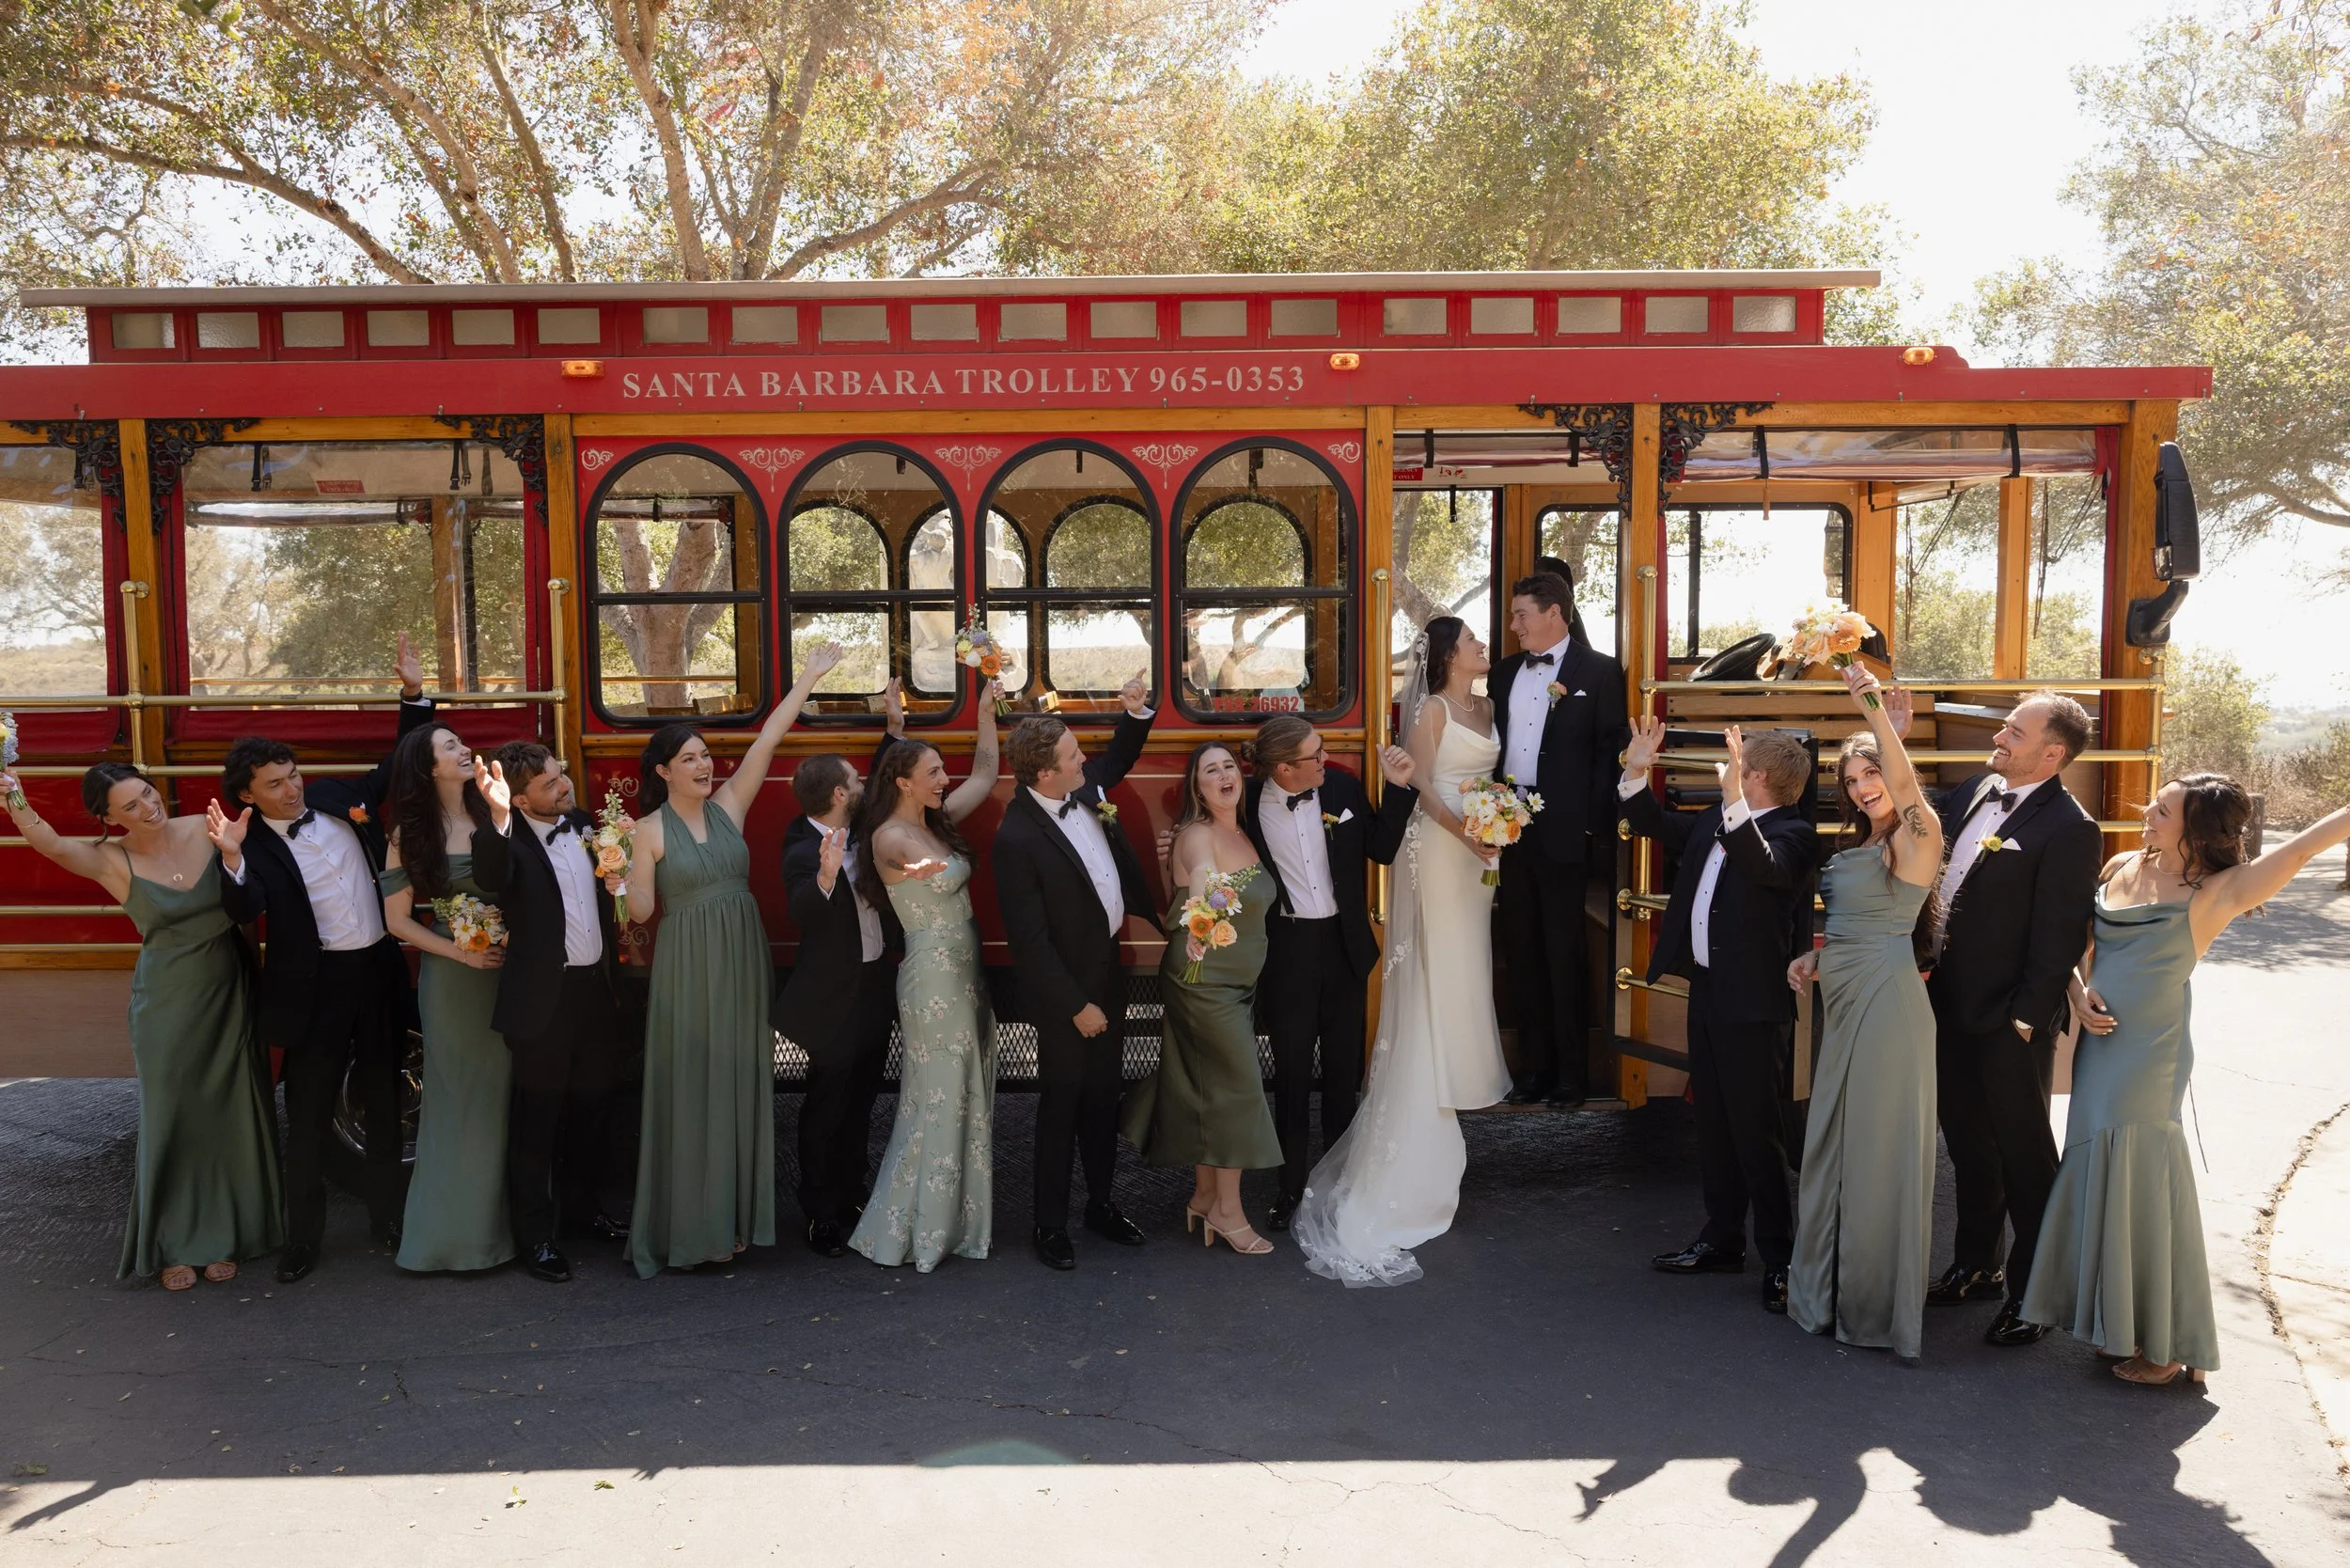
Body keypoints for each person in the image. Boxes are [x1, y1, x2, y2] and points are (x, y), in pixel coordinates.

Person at [2026, 778, 2350, 1388]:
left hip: (2152, 1054)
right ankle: (2121, 1322)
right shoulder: (2122, 863)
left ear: (2195, 829)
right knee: (2100, 1168)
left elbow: (2303, 848)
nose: (2145, 810)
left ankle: (2169, 1343)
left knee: (2142, 1176)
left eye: (2163, 809)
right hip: (2100, 1045)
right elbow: (2076, 949)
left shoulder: (2220, 890)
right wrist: (2077, 991)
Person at [3, 763, 282, 1289]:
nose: (148, 808)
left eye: (148, 794)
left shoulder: (205, 824)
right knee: (173, 1117)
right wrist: (14, 797)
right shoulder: (112, 858)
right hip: (166, 1006)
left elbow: (248, 901)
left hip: (230, 994)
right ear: (107, 818)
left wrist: (233, 853)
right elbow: (53, 846)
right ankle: (175, 1244)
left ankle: (227, 1237)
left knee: (227, 1114)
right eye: (129, 806)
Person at [214, 634, 438, 1282]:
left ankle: (386, 1219)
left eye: (293, 777)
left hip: (377, 972)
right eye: (275, 785)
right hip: (313, 989)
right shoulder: (246, 843)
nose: (292, 791)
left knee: (382, 1095)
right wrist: (229, 860)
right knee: (308, 1116)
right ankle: (303, 1239)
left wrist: (413, 696)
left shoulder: (339, 800)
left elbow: (400, 765)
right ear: (249, 795)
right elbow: (242, 908)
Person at [1290, 619, 1500, 1286]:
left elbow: (1489, 777)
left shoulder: (1488, 706)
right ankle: (1418, 1137)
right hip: (1442, 852)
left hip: (1481, 856)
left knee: (1466, 972)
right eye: (1472, 640)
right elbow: (1425, 792)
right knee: (1435, 974)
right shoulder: (1432, 710)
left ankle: (1457, 1076)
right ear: (1447, 655)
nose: (1482, 646)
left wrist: (1499, 821)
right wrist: (1472, 834)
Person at [623, 645, 839, 1277]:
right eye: (688, 758)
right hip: (688, 969)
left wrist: (808, 677)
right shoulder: (646, 830)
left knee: (740, 1083)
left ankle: (737, 1221)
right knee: (693, 1090)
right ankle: (697, 1230)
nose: (704, 764)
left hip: (740, 961)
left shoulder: (729, 808)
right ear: (663, 771)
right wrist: (617, 876)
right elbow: (639, 913)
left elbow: (768, 738)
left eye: (704, 755)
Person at [1902, 687, 2104, 1346]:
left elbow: (2059, 937)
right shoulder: (1970, 793)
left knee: (2025, 1160)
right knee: (1966, 1146)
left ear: (2052, 752)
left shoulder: (2070, 828)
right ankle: (1977, 1266)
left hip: (2010, 1023)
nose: (1999, 739)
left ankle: (2034, 1296)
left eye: (2013, 732)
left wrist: (2025, 1021)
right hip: (1947, 1004)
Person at [1619, 719, 1822, 1310]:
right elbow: (1652, 823)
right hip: (1708, 991)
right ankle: (1722, 1239)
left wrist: (1733, 799)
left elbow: (1767, 869)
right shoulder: (1718, 819)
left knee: (1758, 1134)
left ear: (1754, 776)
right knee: (1712, 1123)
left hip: (1754, 1004)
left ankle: (1781, 1259)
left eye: (1737, 766)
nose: (1725, 773)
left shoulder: (1795, 833)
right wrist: (1637, 768)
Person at [1786, 665, 1944, 1360]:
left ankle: (1875, 1309)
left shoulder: (1919, 837)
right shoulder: (1861, 845)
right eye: (1851, 781)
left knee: (1879, 1152)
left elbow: (1907, 788)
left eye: (1871, 775)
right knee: (1838, 1144)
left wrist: (1874, 711)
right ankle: (1828, 1292)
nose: (1861, 788)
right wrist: (1816, 957)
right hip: (1846, 996)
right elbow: (1850, 921)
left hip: (1887, 1002)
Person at [992, 676, 1158, 1271]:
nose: (1083, 760)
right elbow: (1031, 945)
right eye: (1071, 757)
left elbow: (1117, 755)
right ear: (1044, 776)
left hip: (1108, 969)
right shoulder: (1015, 839)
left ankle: (1102, 1205)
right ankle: (1050, 1222)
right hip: (1066, 991)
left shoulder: (1084, 788)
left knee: (1101, 1097)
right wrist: (1076, 1006)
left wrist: (1135, 713)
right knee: (1061, 1102)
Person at [845, 689, 1004, 1271]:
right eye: (933, 771)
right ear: (903, 782)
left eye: (941, 770)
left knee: (964, 1094)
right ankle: (920, 1231)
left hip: (965, 976)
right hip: (933, 982)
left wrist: (985, 715)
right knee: (936, 1100)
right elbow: (904, 867)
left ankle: (953, 1222)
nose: (944, 778)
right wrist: (922, 869)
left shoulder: (936, 821)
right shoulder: (890, 835)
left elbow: (986, 774)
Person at [1242, 713, 1418, 1231]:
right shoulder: (1249, 804)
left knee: (1344, 1075)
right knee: (1292, 1076)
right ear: (1281, 769)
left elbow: (1381, 848)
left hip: (1343, 945)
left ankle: (1342, 1186)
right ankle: (1290, 1188)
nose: (1326, 760)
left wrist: (1399, 788)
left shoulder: (1339, 784)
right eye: (1314, 755)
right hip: (1287, 950)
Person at [471, 741, 633, 1283]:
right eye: (551, 783)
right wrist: (496, 817)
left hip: (595, 993)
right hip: (543, 1001)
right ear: (519, 800)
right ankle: (535, 1237)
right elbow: (491, 875)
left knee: (593, 1114)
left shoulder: (586, 826)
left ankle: (585, 1215)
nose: (566, 785)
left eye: (562, 775)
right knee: (536, 1124)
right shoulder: (504, 839)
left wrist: (617, 880)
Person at [1119, 742, 1284, 1254]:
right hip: (1202, 981)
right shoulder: (1195, 837)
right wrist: (1201, 913)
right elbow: (1205, 878)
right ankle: (1229, 1213)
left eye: (1229, 766)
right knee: (1236, 1088)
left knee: (1205, 1087)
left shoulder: (1243, 831)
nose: (1223, 774)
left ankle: (1205, 1196)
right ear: (1197, 786)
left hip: (1233, 984)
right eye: (1211, 770)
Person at [375, 723, 516, 1274]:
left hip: (507, 973)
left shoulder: (492, 812)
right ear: (429, 767)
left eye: (462, 742)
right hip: (454, 981)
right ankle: (447, 1240)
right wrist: (463, 954)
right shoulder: (407, 833)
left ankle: (501, 1232)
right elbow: (397, 921)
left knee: (504, 1098)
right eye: (450, 747)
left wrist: (502, 814)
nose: (464, 750)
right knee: (457, 1101)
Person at [776, 682, 911, 1258]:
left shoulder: (856, 826)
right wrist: (828, 875)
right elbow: (801, 907)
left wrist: (894, 728)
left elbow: (880, 777)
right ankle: (819, 1209)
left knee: (862, 1096)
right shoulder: (802, 846)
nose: (862, 786)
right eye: (852, 782)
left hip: (874, 983)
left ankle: (854, 1190)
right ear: (837, 793)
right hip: (834, 997)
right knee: (826, 1104)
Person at [1489, 570, 1630, 1107]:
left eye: (1522, 613)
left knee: (1564, 951)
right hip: (1508, 823)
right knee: (1521, 948)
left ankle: (1573, 1075)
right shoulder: (1503, 674)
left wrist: (1590, 822)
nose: (1514, 624)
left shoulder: (1598, 671)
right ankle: (1534, 1070)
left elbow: (1607, 751)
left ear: (1554, 613)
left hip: (1567, 830)